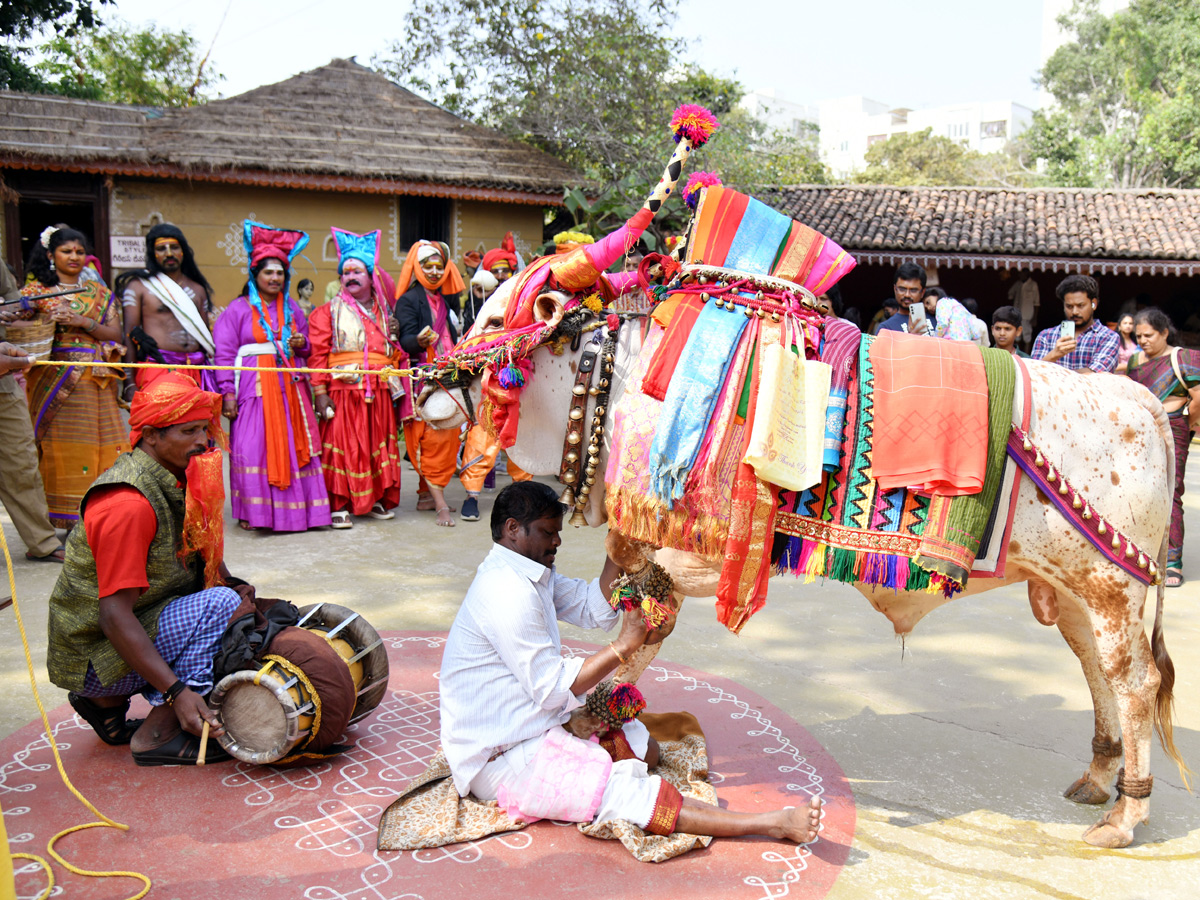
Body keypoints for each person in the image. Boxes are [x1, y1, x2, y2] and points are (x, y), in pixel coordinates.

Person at [439, 481, 823, 844]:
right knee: (633, 794)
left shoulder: (526, 573)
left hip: (534, 725)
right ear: (512, 529)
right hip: (500, 757)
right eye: (546, 532)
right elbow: (554, 687)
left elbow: (592, 606)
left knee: (644, 746)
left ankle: (595, 758)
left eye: (557, 531)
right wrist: (626, 643)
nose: (557, 541)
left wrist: (617, 552)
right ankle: (773, 823)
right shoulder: (506, 592)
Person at [45, 373, 249, 765]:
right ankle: (158, 731)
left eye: (204, 429)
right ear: (151, 435)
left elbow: (198, 548)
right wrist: (177, 691)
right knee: (217, 606)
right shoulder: (128, 503)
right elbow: (112, 614)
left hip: (133, 625)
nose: (202, 441)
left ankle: (106, 703)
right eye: (188, 431)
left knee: (230, 598)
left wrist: (234, 583)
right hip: (96, 652)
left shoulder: (178, 473)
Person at [212, 221, 331, 532]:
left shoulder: (293, 309)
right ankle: (255, 514)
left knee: (294, 447)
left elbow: (308, 348)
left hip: (290, 389)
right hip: (253, 387)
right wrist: (227, 392)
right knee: (252, 446)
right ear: (255, 275)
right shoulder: (237, 310)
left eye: (280, 272)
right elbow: (224, 353)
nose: (275, 278)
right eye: (268, 272)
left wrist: (301, 344)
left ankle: (298, 514)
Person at [20, 227, 128, 530]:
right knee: (64, 446)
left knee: (101, 442)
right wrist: (40, 316)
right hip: (54, 379)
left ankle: (104, 514)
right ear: (51, 255)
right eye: (67, 251)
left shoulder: (100, 294)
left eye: (79, 252)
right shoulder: (36, 292)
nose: (74, 257)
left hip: (97, 380)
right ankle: (65, 519)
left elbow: (115, 334)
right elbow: (18, 327)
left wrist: (83, 321)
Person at [308, 228, 403, 529]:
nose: (351, 276)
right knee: (344, 446)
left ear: (370, 276)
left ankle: (372, 498)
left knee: (376, 444)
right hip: (342, 391)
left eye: (357, 271)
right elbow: (317, 356)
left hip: (379, 389)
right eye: (346, 271)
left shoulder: (386, 312)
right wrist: (320, 392)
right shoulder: (326, 312)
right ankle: (339, 504)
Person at [1126, 308, 1200, 588]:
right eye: (1138, 336)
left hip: (1173, 429)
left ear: (1165, 333)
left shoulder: (1184, 359)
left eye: (1149, 335)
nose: (1143, 340)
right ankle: (1142, 556)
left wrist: (1183, 423)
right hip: (1139, 432)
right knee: (1140, 491)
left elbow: (1197, 398)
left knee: (1170, 492)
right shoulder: (1135, 361)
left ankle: (1172, 562)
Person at [394, 240, 466, 527]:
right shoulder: (409, 300)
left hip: (448, 377)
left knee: (447, 436)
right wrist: (419, 342)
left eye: (440, 266)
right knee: (431, 438)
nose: (435, 272)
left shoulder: (448, 299)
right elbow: (404, 340)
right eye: (428, 266)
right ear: (417, 268)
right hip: (422, 380)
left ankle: (426, 494)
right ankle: (441, 505)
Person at [0, 282, 62, 565]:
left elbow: (13, 298)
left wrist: (11, 312)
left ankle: (42, 542)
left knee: (22, 462)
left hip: (3, 384)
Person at [116, 223, 217, 397]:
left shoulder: (198, 289)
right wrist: (129, 383)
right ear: (153, 254)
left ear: (183, 251)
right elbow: (128, 335)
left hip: (195, 371)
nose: (169, 253)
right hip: (158, 368)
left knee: (196, 424)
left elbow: (204, 337)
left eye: (174, 247)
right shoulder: (139, 286)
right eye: (162, 248)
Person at [1031, 274, 1119, 373]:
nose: (1074, 312)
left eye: (1080, 306)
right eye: (1069, 306)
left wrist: (1056, 374)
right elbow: (1034, 374)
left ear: (1094, 304)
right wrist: (1054, 354)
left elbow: (1096, 374)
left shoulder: (1108, 337)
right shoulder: (1046, 336)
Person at [876, 263, 933, 333]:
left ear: (922, 292)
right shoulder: (886, 329)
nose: (907, 295)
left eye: (913, 290)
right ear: (895, 289)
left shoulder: (939, 319)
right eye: (902, 289)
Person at [1007, 270, 1040, 352]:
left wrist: (1035, 318)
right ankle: (1018, 354)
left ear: (1026, 273)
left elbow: (1037, 303)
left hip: (1028, 315)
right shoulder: (1017, 284)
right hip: (1016, 315)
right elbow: (1010, 295)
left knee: (1027, 337)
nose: (1019, 275)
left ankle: (1026, 355)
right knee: (1017, 336)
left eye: (1021, 273)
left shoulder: (1033, 284)